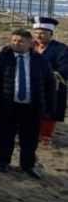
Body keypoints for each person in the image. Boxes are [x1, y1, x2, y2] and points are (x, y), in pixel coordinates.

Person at [0, 29, 55, 179]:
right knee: (5, 135)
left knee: (29, 139)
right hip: (7, 105)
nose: (16, 44)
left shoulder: (40, 61)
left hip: (32, 107)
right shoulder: (1, 58)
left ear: (30, 43)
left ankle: (28, 166)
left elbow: (49, 86)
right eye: (14, 40)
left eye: (20, 41)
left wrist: (49, 108)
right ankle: (3, 161)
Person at [33, 16, 68, 145]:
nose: (39, 36)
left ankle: (46, 135)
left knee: (50, 111)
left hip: (53, 86)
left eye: (42, 33)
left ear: (51, 34)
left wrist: (51, 75)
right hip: (33, 84)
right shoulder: (30, 46)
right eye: (36, 33)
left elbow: (65, 66)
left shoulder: (61, 48)